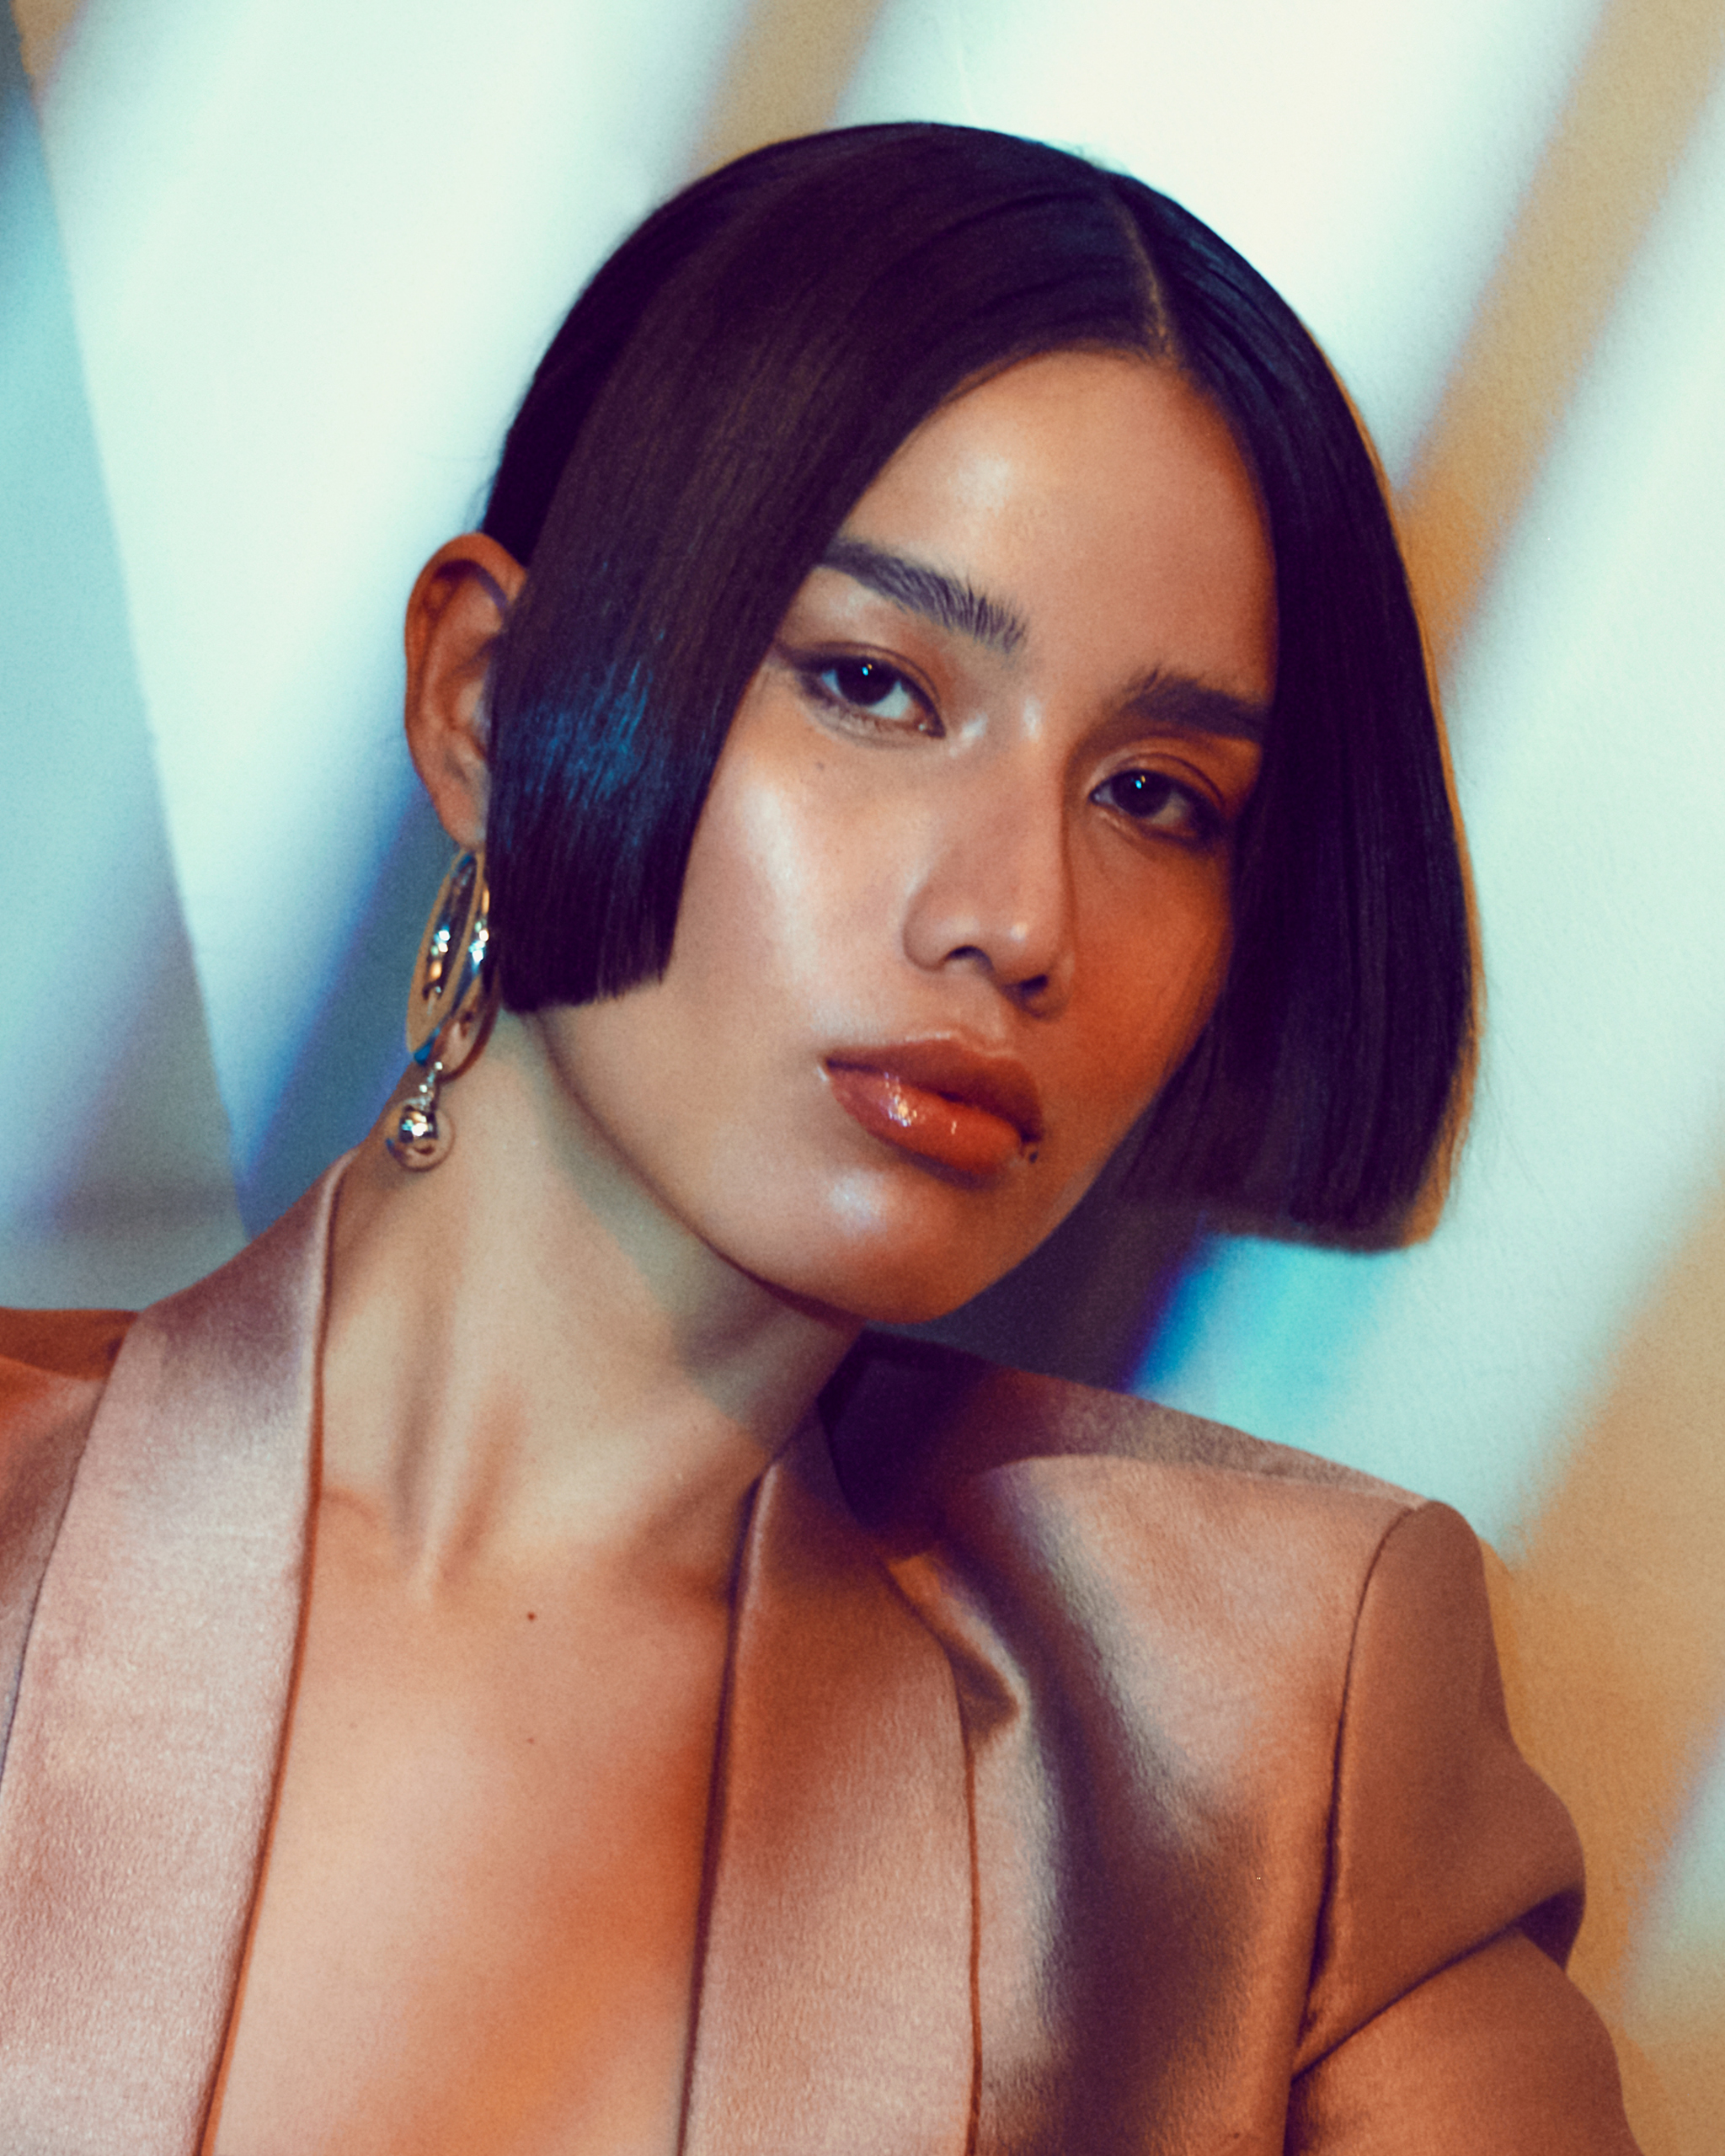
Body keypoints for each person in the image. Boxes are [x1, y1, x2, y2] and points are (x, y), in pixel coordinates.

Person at [0, 123, 1638, 2153]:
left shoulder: (1257, 1751)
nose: (1016, 918)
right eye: (874, 685)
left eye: (1155, 797)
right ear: (491, 701)